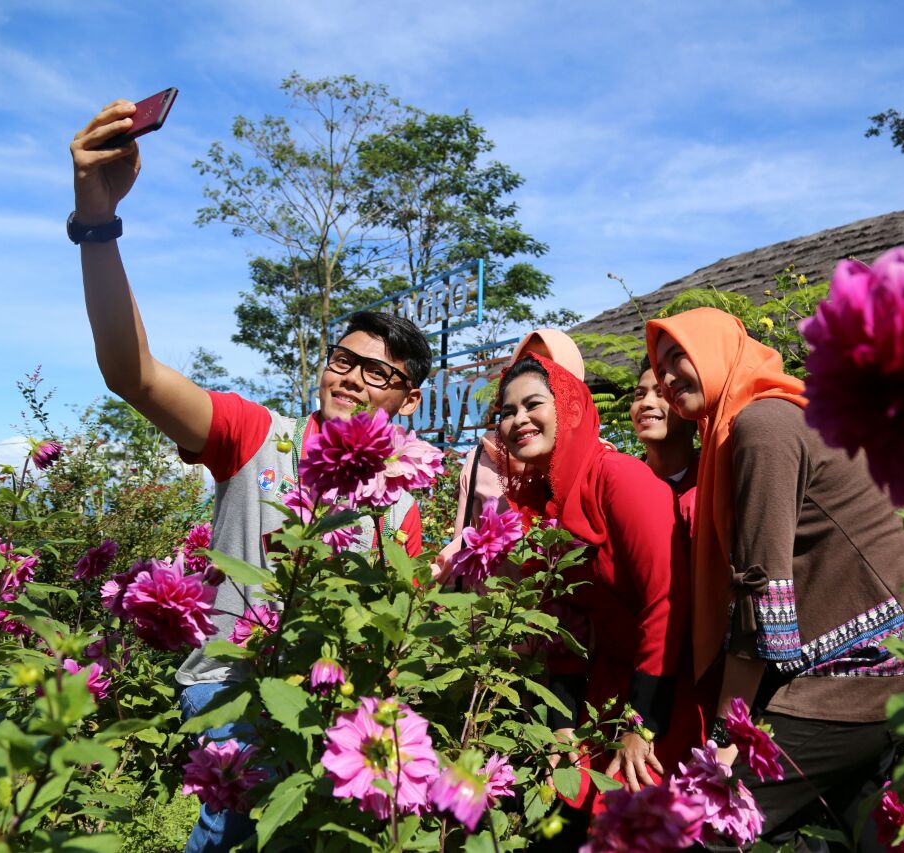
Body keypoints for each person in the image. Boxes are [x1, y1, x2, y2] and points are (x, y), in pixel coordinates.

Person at [70, 99, 433, 853]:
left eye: (379, 372)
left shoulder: (404, 494)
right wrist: (98, 223)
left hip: (339, 708)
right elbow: (130, 374)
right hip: (235, 691)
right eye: (344, 358)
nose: (354, 378)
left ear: (408, 398)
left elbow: (402, 620)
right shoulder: (256, 435)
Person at [646, 307, 904, 848]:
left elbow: (762, 589)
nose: (668, 378)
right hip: (883, 653)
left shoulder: (764, 425)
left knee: (710, 827)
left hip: (879, 663)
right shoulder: (758, 422)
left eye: (680, 357)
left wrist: (730, 736)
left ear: (719, 352)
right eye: (659, 370)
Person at [493, 354, 705, 818]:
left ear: (568, 408)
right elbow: (561, 624)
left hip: (668, 687)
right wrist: (562, 727)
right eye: (506, 412)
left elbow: (665, 597)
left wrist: (641, 724)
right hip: (605, 691)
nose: (518, 420)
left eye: (533, 404)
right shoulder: (544, 504)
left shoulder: (618, 476)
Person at [436, 329, 589, 575]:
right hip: (493, 606)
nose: (535, 370)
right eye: (526, 363)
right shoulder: (482, 459)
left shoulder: (597, 463)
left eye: (549, 366)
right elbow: (463, 541)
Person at [629, 357, 700, 529]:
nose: (645, 403)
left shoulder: (713, 482)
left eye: (662, 393)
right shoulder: (623, 484)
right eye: (640, 394)